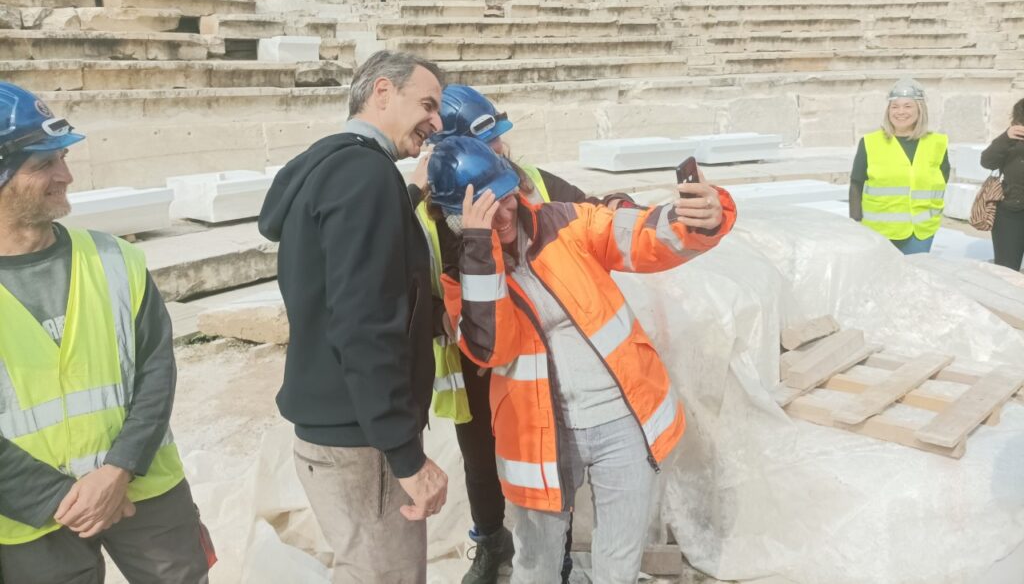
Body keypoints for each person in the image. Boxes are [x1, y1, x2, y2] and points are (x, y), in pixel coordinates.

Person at [428, 137, 736, 584]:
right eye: (485, 211)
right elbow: (492, 347)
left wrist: (701, 218)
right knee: (537, 566)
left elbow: (642, 235)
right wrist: (480, 249)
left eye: (507, 196)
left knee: (619, 562)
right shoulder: (464, 278)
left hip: (625, 423)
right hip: (538, 440)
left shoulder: (567, 223)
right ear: (458, 220)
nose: (505, 214)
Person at [417, 85, 633, 584]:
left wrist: (621, 204)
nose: (501, 156)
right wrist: (442, 317)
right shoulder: (429, 209)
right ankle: (492, 543)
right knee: (481, 459)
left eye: (499, 142)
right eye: (487, 147)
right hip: (472, 354)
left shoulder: (529, 178)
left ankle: (552, 552)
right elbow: (408, 287)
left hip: (534, 347)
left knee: (550, 451)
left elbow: (587, 209)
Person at [0, 83, 210, 583]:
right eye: (43, 164)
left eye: (64, 157)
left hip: (143, 489)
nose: (66, 175)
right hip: (31, 516)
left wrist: (118, 472)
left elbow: (157, 372)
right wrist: (61, 499)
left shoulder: (115, 258)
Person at [258, 51, 449, 584]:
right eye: (427, 105)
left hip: (328, 427)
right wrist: (406, 456)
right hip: (363, 440)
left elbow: (346, 254)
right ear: (382, 92)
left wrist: (408, 191)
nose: (435, 122)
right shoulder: (365, 178)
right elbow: (364, 326)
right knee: (385, 574)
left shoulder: (330, 166)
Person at [848, 78, 949, 254]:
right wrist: (855, 222)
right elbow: (856, 183)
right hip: (879, 232)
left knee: (914, 278)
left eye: (907, 106)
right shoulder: (870, 142)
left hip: (921, 232)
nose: (900, 112)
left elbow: (942, 179)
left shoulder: (937, 143)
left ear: (920, 109)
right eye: (895, 106)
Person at [981, 97, 1024, 271]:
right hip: (1009, 213)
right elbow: (987, 162)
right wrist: (1006, 137)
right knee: (1006, 271)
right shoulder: (1011, 141)